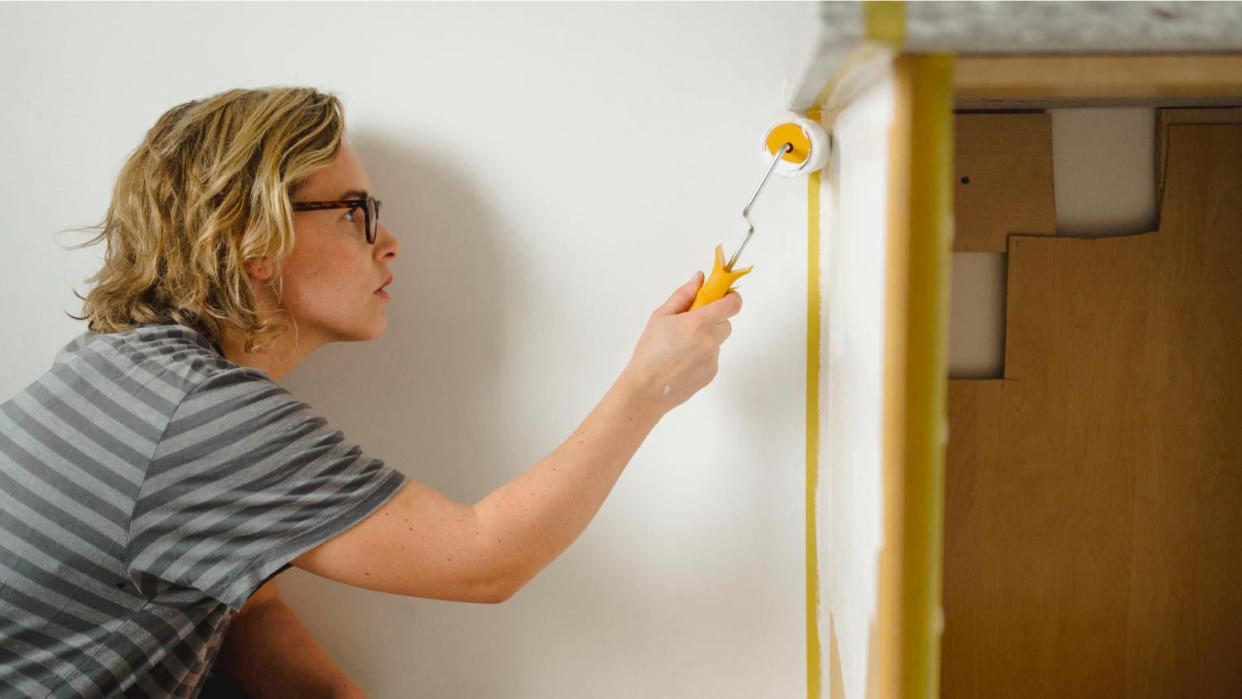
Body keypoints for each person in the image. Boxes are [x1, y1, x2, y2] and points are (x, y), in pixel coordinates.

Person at [0, 86, 742, 698]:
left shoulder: (130, 373)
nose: (389, 242)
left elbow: (245, 603)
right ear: (252, 240)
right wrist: (649, 385)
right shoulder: (197, 415)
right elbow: (486, 559)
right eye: (356, 212)